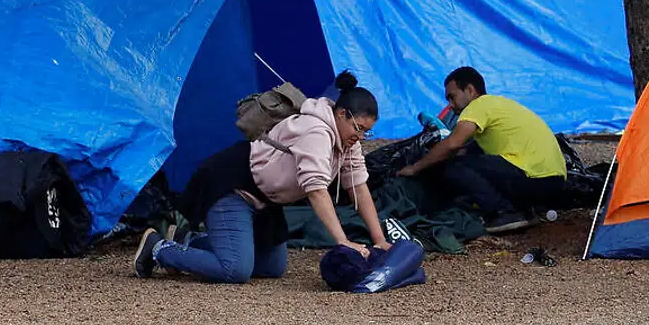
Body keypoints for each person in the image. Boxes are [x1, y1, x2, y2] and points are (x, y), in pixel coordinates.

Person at [133, 73, 390, 284]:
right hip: (234, 184)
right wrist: (343, 241)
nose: (361, 136)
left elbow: (358, 185)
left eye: (367, 131)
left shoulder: (348, 141)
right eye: (359, 128)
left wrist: (379, 240)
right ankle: (159, 249)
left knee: (271, 266)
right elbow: (316, 190)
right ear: (342, 114)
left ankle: (187, 242)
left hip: (267, 200)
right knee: (235, 269)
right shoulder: (317, 131)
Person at [397, 66, 567, 233]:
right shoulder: (500, 105)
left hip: (533, 178)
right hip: (555, 182)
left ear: (470, 90)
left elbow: (452, 145)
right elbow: (467, 151)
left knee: (451, 166)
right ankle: (523, 210)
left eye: (452, 97)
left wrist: (415, 168)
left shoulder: (478, 106)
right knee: (471, 158)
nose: (450, 105)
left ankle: (504, 212)